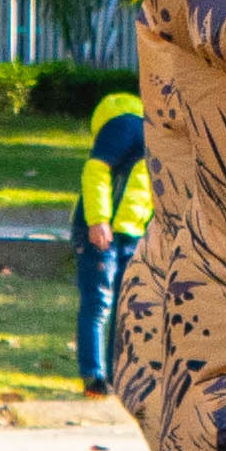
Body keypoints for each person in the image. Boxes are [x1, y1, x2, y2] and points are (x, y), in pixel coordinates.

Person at [70, 87, 149, 392]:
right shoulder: (128, 125)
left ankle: (115, 377)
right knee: (99, 302)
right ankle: (94, 375)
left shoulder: (145, 127)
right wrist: (99, 219)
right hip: (102, 231)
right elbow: (96, 170)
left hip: (129, 232)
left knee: (123, 304)